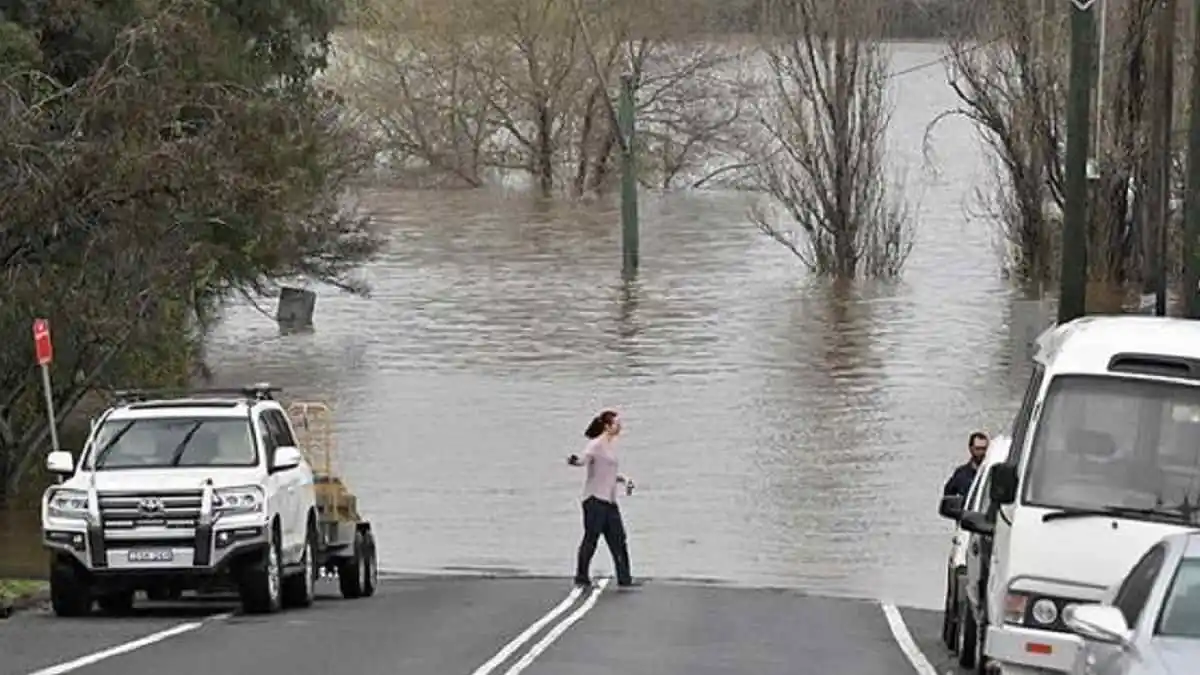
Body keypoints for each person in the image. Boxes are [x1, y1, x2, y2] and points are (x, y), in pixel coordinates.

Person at [567, 409, 641, 589]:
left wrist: (623, 479)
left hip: (609, 501)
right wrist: (575, 461)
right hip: (594, 500)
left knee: (619, 539)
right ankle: (581, 577)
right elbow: (584, 460)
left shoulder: (610, 446)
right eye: (617, 423)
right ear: (607, 426)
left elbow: (607, 473)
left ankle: (625, 579)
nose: (620, 426)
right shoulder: (596, 445)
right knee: (591, 538)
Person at [939, 431, 989, 518]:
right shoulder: (961, 474)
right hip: (967, 522)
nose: (981, 452)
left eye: (984, 449)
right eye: (978, 449)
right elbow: (948, 496)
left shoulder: (991, 473)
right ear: (970, 449)